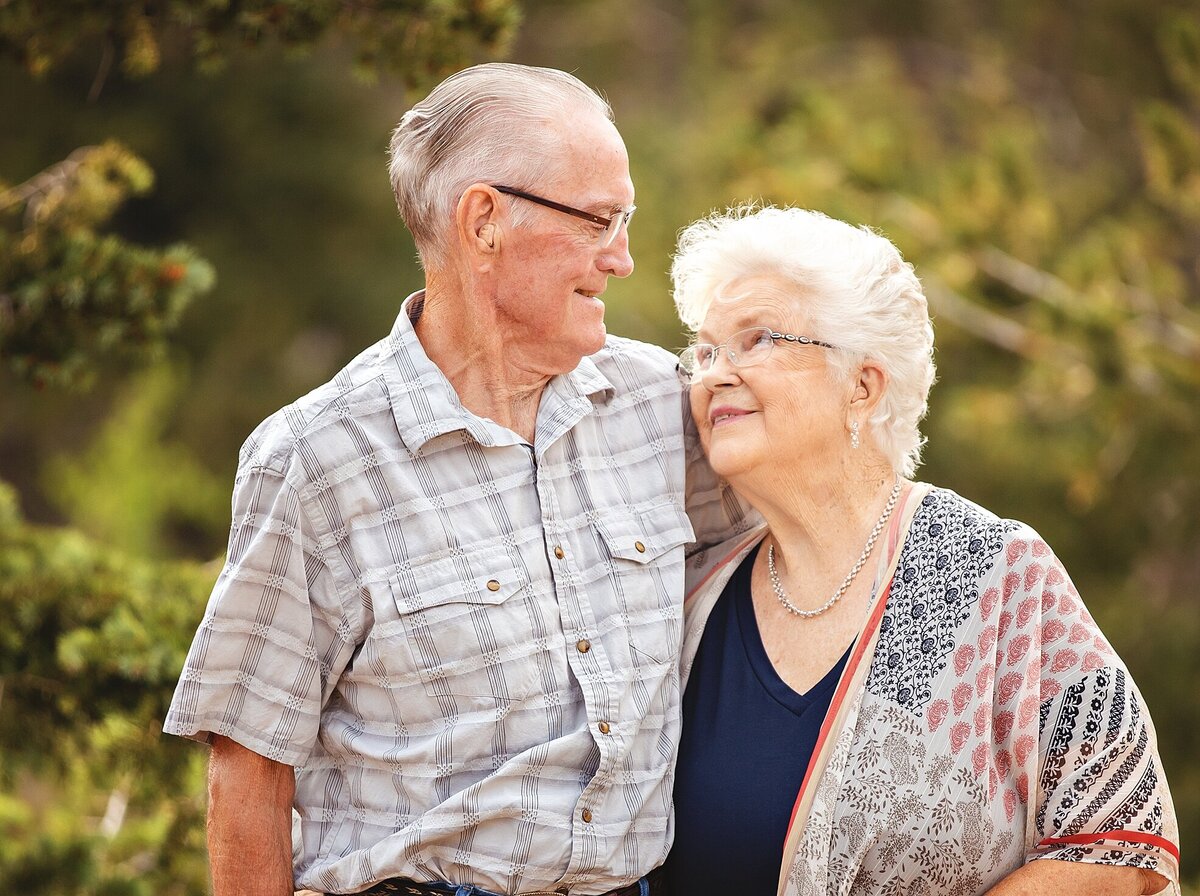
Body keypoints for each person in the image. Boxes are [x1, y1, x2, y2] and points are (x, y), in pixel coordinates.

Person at [164, 63, 745, 896]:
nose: (621, 258)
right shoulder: (316, 459)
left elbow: (803, 557)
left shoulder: (662, 406)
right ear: (483, 221)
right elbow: (247, 774)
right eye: (600, 220)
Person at [663, 205, 1181, 896]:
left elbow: (1120, 847)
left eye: (756, 340)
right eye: (703, 352)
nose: (714, 375)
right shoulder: (696, 598)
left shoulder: (981, 573)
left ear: (863, 386)